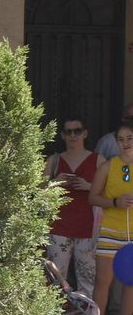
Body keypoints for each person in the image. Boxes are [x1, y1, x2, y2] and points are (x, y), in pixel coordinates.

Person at [87, 120, 133, 315]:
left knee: (130, 283)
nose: (125, 144)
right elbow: (92, 197)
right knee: (102, 280)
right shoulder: (108, 166)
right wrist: (115, 201)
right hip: (110, 230)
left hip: (132, 234)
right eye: (121, 140)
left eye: (129, 139)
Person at [46, 116, 98, 296]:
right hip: (59, 226)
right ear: (62, 135)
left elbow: (110, 191)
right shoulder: (54, 160)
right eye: (68, 132)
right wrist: (54, 182)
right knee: (56, 278)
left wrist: (89, 186)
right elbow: (37, 191)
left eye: (77, 131)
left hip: (87, 227)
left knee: (88, 279)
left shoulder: (98, 160)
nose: (72, 136)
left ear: (85, 133)